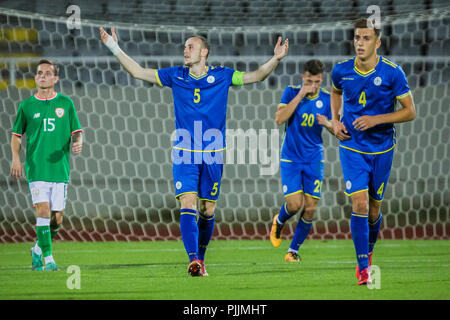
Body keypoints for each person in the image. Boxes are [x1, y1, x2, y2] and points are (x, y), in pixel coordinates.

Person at [99, 27, 288, 276]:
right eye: (185, 47)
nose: (185, 51)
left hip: (213, 152)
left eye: (191, 46)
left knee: (207, 209)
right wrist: (114, 47)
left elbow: (257, 76)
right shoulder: (175, 75)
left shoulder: (223, 76)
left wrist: (275, 59)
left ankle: (201, 258)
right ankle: (194, 260)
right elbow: (137, 71)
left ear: (204, 52)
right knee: (187, 202)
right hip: (184, 151)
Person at [330, 18, 416, 285]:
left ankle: (369, 249)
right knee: (360, 203)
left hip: (382, 149)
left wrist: (375, 120)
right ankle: (363, 267)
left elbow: (410, 111)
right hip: (352, 146)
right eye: (357, 38)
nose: (360, 43)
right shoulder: (341, 70)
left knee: (374, 209)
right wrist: (335, 120)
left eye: (366, 38)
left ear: (377, 43)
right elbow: (335, 91)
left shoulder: (393, 73)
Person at [10, 59, 83, 271]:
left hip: (60, 168)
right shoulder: (26, 106)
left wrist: (78, 143)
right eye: (40, 73)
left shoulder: (66, 103)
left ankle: (38, 249)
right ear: (35, 78)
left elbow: (77, 132)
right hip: (36, 167)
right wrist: (16, 157)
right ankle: (49, 260)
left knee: (57, 218)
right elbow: (16, 136)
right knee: (43, 209)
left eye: (48, 73)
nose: (43, 76)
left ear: (55, 78)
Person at [269, 59, 334, 261]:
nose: (312, 86)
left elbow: (339, 130)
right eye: (308, 81)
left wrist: (329, 124)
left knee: (310, 207)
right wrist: (300, 95)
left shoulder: (328, 99)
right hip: (291, 158)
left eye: (316, 81)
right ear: (303, 78)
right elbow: (279, 119)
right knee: (295, 205)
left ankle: (293, 251)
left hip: (314, 158)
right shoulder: (291, 92)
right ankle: (279, 221)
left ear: (321, 79)